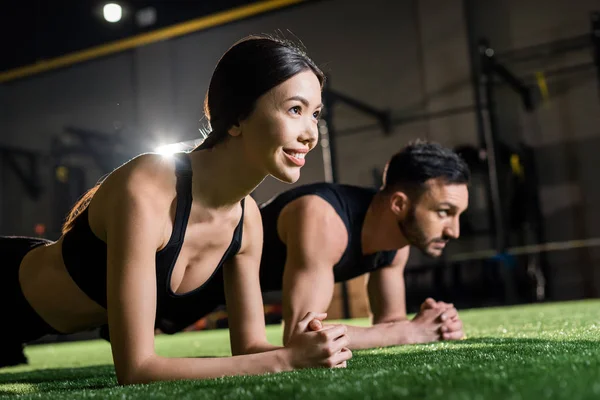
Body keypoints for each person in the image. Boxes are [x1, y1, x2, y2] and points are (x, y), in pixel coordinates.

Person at [0, 35, 352, 384]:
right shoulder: (146, 189)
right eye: (295, 109)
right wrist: (286, 360)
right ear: (236, 119)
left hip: (27, 331)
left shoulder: (247, 222)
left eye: (315, 114)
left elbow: (248, 348)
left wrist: (305, 348)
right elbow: (137, 369)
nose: (310, 133)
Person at [258, 140, 470, 349]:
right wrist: (410, 331)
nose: (454, 231)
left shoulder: (398, 240)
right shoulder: (322, 218)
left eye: (458, 215)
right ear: (399, 204)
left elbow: (390, 324)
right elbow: (302, 336)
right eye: (444, 212)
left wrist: (437, 325)